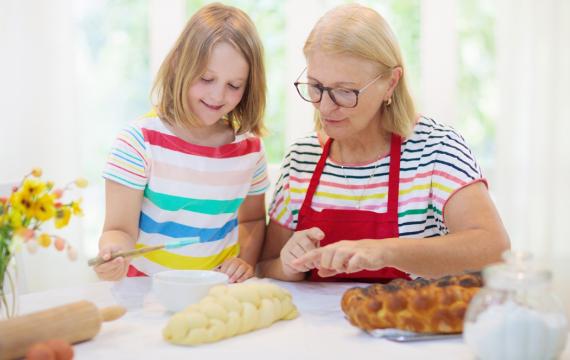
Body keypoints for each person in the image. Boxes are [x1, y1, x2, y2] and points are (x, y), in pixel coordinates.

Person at [257, 4, 510, 282]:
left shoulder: (437, 149)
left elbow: (494, 249)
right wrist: (288, 265)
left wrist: (385, 251)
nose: (325, 107)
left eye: (345, 92)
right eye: (316, 86)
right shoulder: (301, 159)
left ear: (390, 83)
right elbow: (265, 265)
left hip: (411, 322)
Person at [95, 3, 269, 283]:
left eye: (234, 85)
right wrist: (113, 251)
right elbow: (119, 230)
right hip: (146, 291)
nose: (217, 95)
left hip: (217, 291)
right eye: (206, 78)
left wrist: (244, 261)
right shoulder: (138, 142)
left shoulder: (250, 151)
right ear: (179, 65)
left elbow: (252, 221)